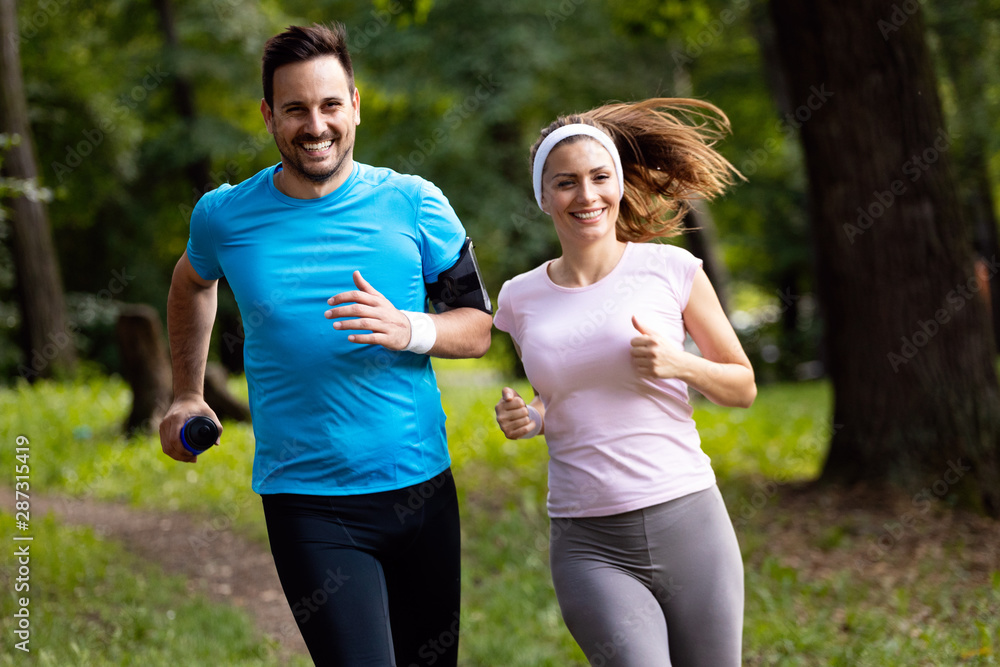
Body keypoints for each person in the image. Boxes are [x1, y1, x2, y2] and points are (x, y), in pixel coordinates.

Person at [158, 23, 493, 666]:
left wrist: (411, 329)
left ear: (355, 106)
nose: (316, 125)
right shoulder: (224, 215)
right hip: (307, 502)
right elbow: (190, 283)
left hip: (421, 490)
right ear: (268, 116)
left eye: (330, 104)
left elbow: (478, 325)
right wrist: (185, 393)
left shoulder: (415, 203)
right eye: (296, 109)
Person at [493, 98, 755, 667]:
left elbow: (742, 386)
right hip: (588, 542)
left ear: (617, 183)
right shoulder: (518, 298)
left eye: (598, 177)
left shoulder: (671, 269)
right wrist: (531, 417)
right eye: (565, 183)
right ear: (543, 196)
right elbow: (562, 391)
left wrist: (679, 363)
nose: (586, 196)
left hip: (689, 522)